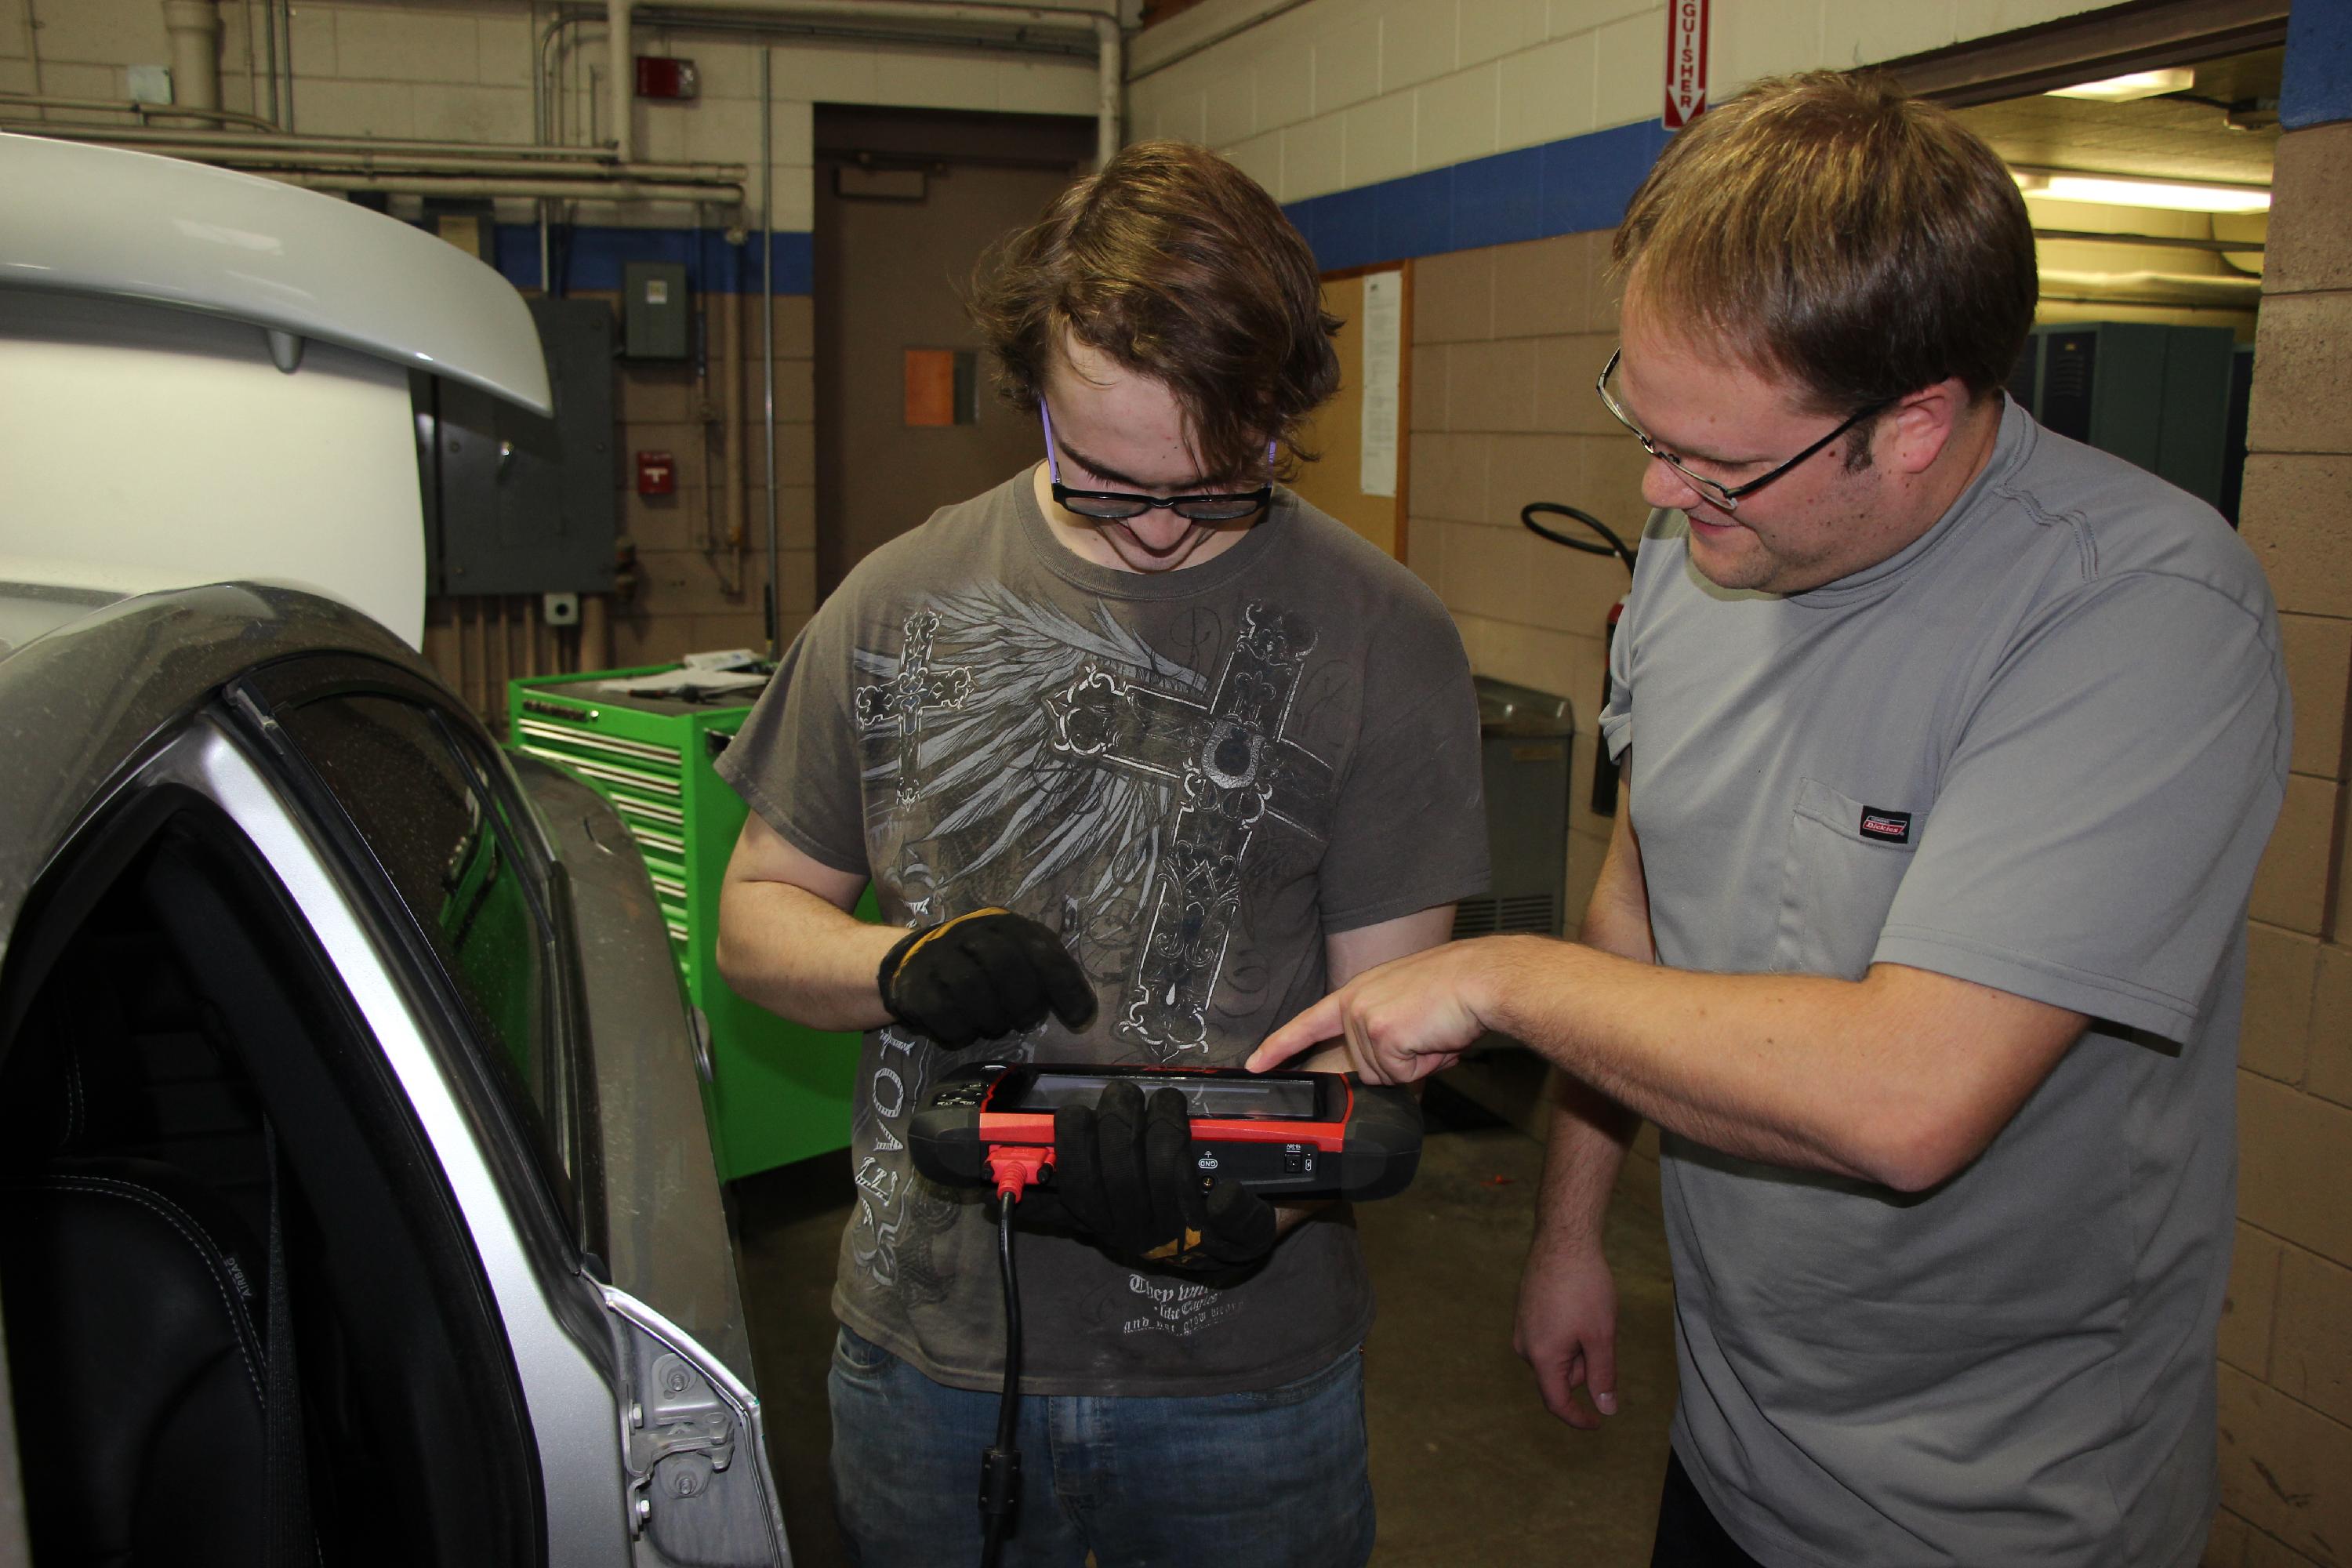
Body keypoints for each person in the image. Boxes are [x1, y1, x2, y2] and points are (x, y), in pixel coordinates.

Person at [1251, 71, 2288, 1568]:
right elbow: (1648, 893)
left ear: (1916, 423)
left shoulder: (2139, 616)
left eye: (1718, 461)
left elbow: (1906, 1104)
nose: (1662, 492)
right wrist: (1569, 1237)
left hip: (2005, 1503)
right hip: (1733, 1439)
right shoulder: (1707, 550)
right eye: (1645, 421)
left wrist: (1499, 977)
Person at [713, 139, 1486, 1567]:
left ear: (1274, 418)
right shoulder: (896, 598)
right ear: (1039, 396)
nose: (1149, 537)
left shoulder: (1386, 637)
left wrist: (1257, 1199)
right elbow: (755, 918)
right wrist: (902, 965)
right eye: (1104, 483)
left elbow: (1381, 1037)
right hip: (928, 1360)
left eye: (1209, 490)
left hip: (1244, 1392)